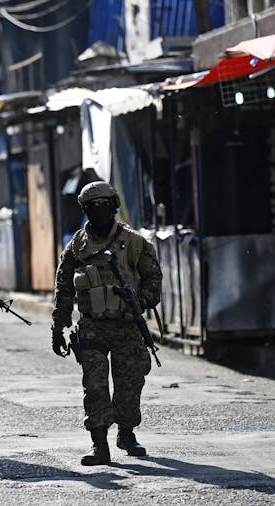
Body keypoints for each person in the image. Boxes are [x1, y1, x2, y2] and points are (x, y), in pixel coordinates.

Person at [51, 181, 163, 466]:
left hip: (127, 325)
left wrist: (141, 301)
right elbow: (63, 288)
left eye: (104, 204)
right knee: (95, 384)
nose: (99, 210)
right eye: (93, 206)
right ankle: (99, 444)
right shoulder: (76, 247)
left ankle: (126, 433)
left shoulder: (136, 243)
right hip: (93, 325)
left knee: (130, 384)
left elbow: (153, 281)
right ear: (85, 209)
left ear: (114, 205)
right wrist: (59, 326)